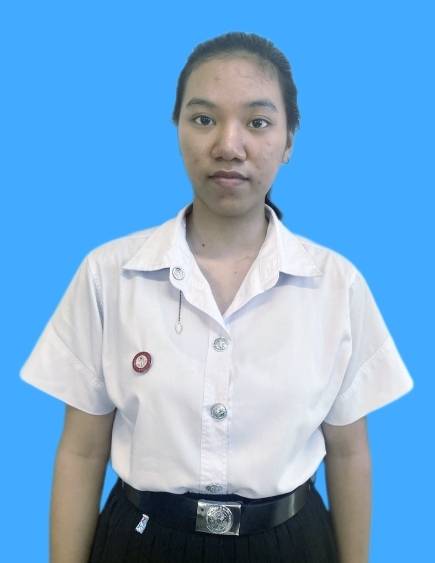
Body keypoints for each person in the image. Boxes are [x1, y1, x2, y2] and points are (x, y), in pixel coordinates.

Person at [20, 31, 414, 563]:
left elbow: (349, 454)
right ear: (178, 129)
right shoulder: (109, 275)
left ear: (289, 141)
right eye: (204, 119)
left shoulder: (336, 285)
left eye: (258, 122)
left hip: (290, 544)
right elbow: (82, 450)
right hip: (142, 541)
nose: (229, 145)